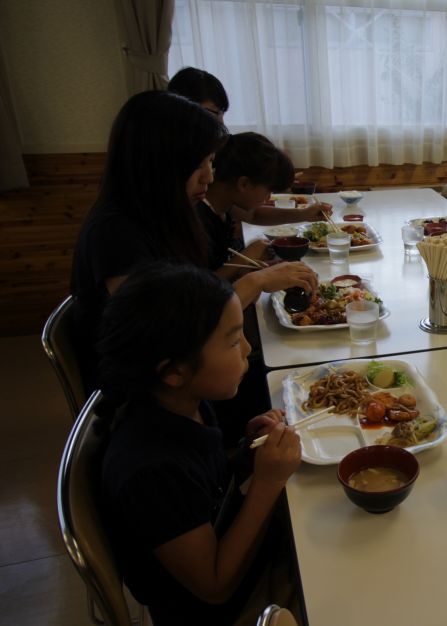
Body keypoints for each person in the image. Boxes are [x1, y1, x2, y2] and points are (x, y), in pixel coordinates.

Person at [70, 91, 318, 391]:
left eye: (211, 162)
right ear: (159, 163)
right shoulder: (115, 233)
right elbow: (167, 337)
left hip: (184, 374)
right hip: (148, 393)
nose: (209, 178)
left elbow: (195, 290)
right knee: (295, 377)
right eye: (198, 164)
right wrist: (255, 282)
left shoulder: (166, 213)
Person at [97, 262, 301, 625]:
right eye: (234, 339)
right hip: (224, 610)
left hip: (239, 551)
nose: (248, 349)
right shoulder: (150, 469)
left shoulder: (182, 404)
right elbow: (215, 587)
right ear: (173, 371)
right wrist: (269, 482)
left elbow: (209, 487)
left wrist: (246, 450)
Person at [202, 132, 332, 278]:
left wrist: (304, 214)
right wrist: (246, 257)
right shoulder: (198, 220)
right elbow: (205, 287)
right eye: (269, 190)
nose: (269, 197)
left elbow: (254, 214)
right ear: (244, 184)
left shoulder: (224, 202)